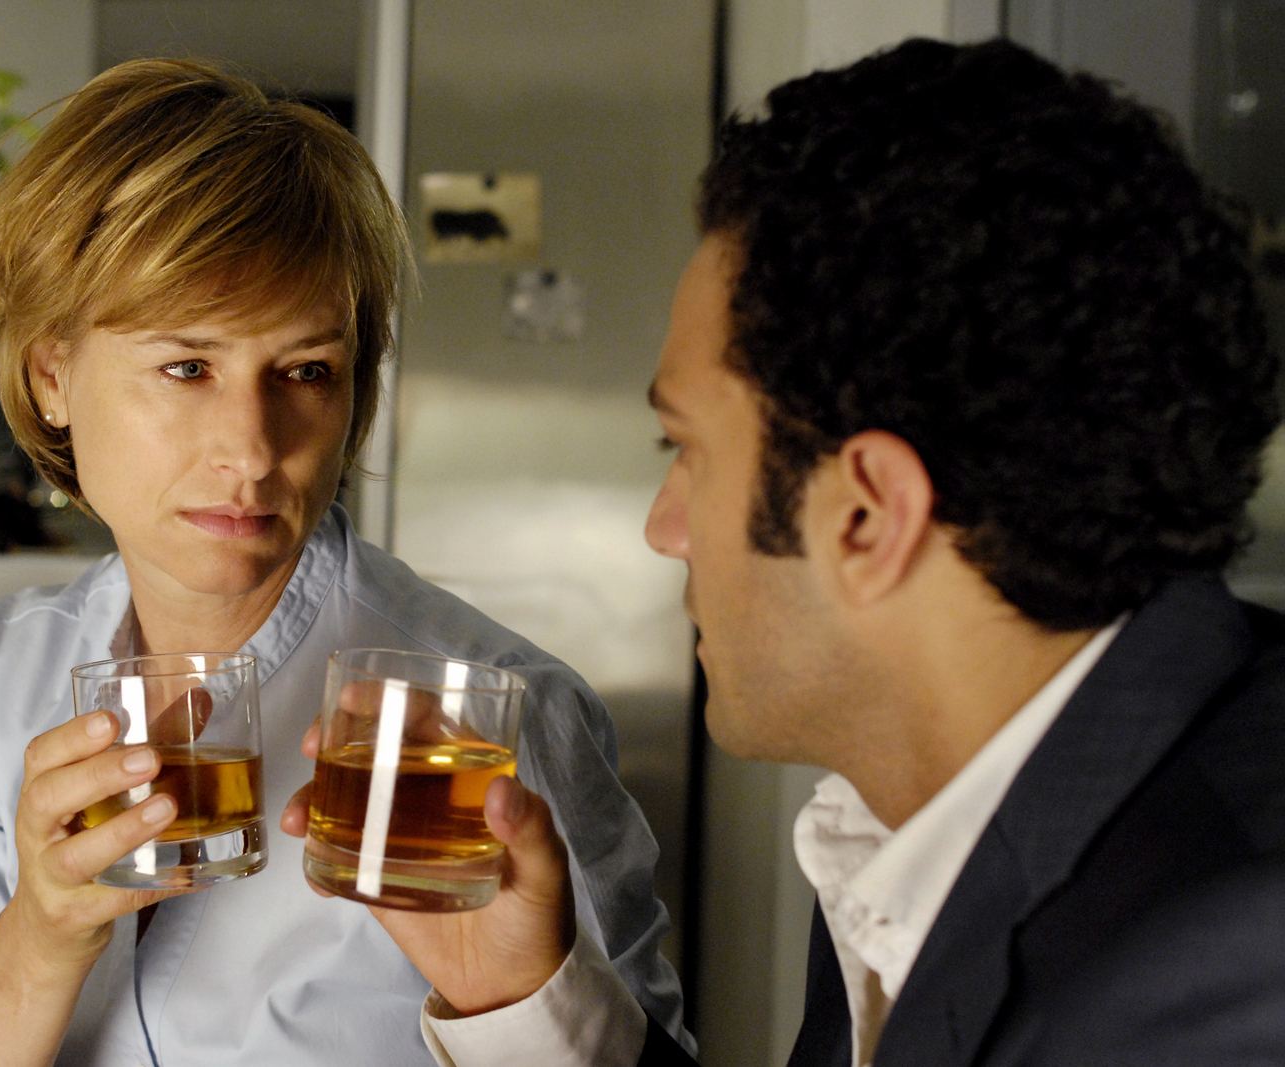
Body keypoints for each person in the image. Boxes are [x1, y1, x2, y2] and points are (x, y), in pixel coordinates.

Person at [279, 37, 1285, 1066]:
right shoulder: (921, 818)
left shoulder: (1221, 982)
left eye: (685, 449)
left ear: (866, 517)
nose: (663, 527)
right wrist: (520, 996)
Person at [0, 59, 691, 1067]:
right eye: (188, 366)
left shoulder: (494, 718)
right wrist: (40, 935)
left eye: (304, 371)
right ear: (52, 374)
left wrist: (515, 1004)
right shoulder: (0, 675)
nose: (253, 450)